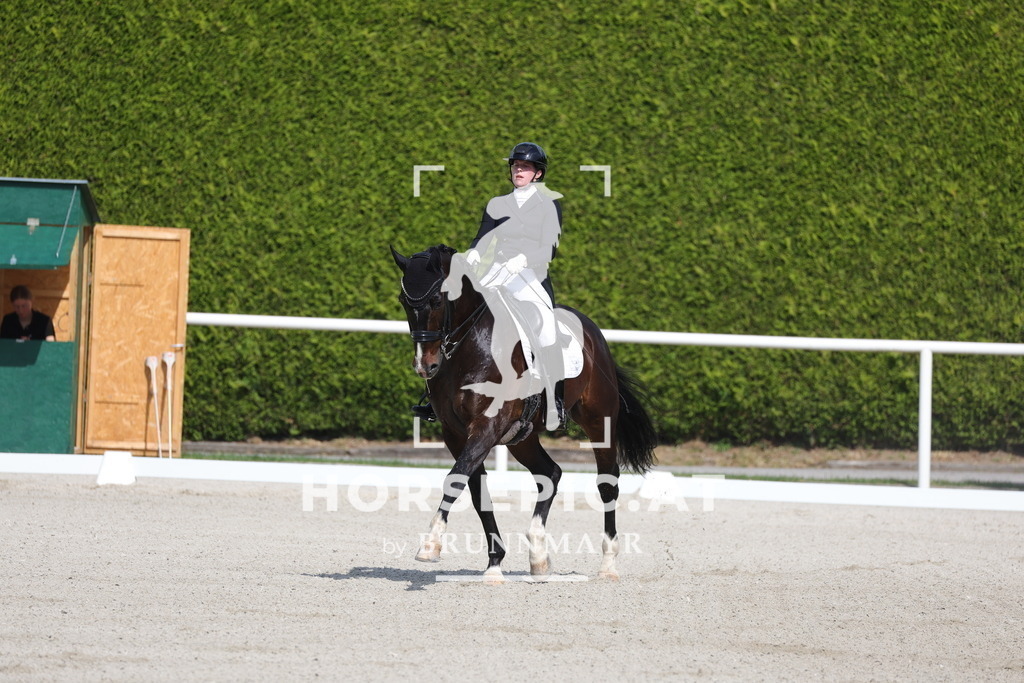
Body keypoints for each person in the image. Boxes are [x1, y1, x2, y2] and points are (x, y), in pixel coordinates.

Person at [415, 142, 571, 430]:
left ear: (538, 173)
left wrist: (522, 260)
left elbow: (549, 248)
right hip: (497, 272)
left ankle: (555, 401)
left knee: (547, 328)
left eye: (525, 167)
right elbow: (482, 238)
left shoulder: (548, 204)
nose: (518, 170)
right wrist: (474, 254)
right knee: (458, 315)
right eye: (516, 166)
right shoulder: (497, 204)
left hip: (532, 277)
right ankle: (435, 396)